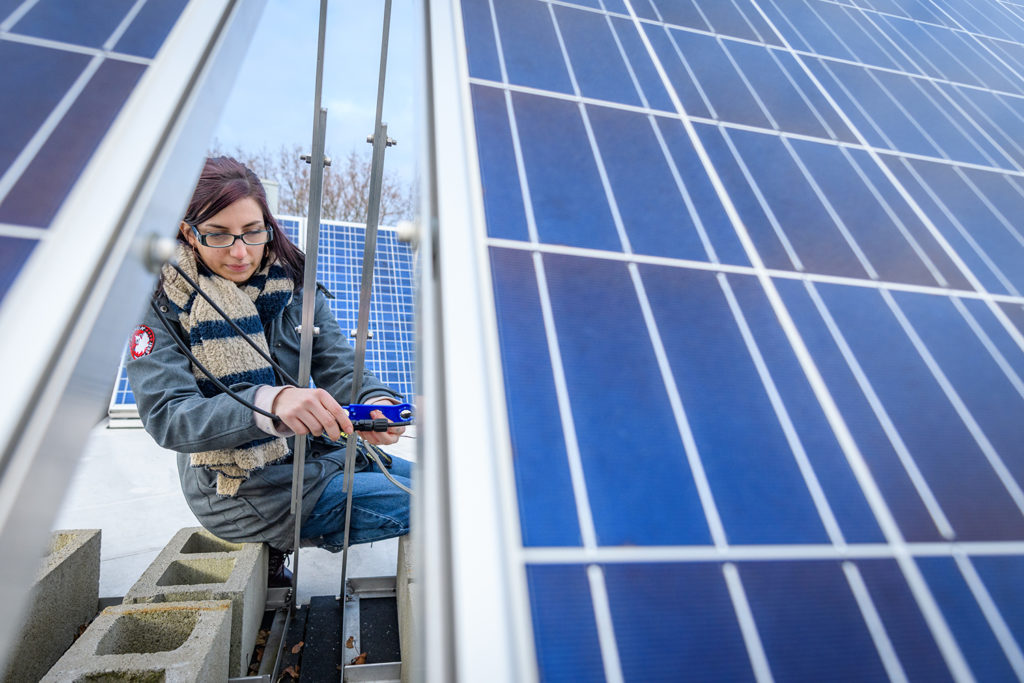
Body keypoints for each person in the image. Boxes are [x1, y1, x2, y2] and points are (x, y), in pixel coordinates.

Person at [126, 156, 411, 586]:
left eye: (253, 232)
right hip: (243, 489)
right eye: (218, 236)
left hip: (323, 457)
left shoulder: (295, 284)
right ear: (188, 232)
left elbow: (340, 370)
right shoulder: (162, 304)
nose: (240, 252)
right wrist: (269, 403)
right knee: (449, 502)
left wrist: (376, 405)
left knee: (455, 483)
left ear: (268, 224)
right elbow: (169, 416)